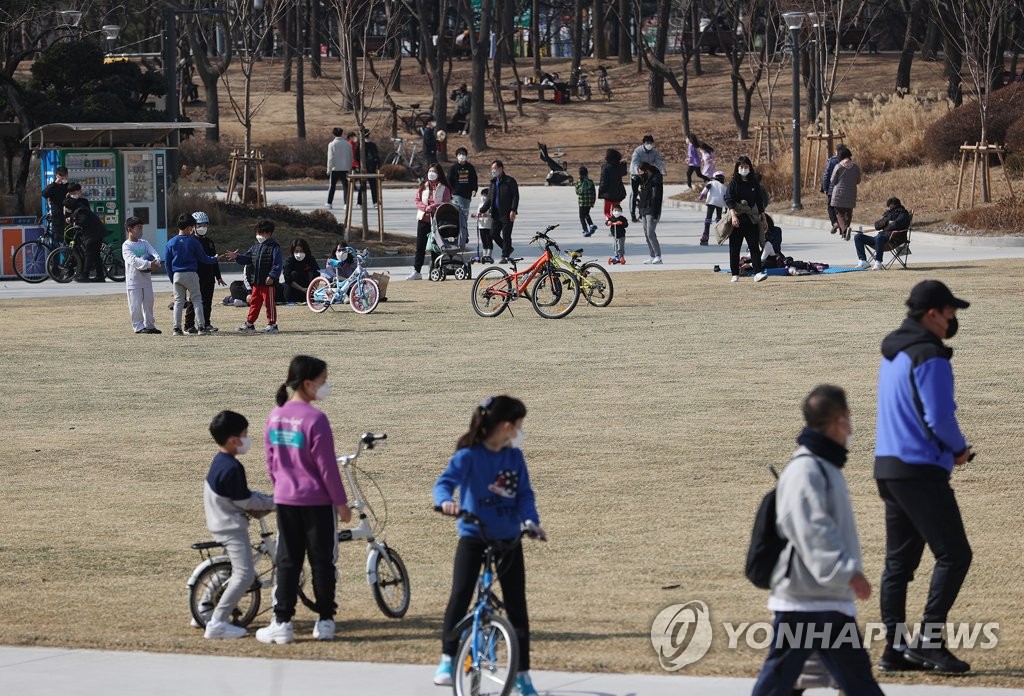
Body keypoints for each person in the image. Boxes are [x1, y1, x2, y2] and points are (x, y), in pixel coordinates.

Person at [751, 385, 884, 696]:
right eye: (848, 418)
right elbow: (813, 531)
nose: (851, 427)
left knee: (855, 680)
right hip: (806, 599)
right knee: (780, 681)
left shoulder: (823, 466)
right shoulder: (807, 469)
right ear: (838, 421)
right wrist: (847, 571)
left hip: (822, 597)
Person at [874, 280, 973, 674]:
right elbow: (938, 417)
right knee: (955, 555)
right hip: (919, 470)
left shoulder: (894, 351)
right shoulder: (930, 355)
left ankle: (894, 651)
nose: (953, 319)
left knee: (899, 565)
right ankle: (929, 643)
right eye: (950, 312)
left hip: (890, 466)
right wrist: (959, 450)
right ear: (932, 313)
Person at [432, 395, 547, 696]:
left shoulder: (514, 458)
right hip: (474, 535)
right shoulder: (469, 456)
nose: (521, 432)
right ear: (507, 426)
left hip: (508, 539)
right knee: (460, 593)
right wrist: (445, 501)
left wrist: (530, 522)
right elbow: (444, 483)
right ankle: (447, 659)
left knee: (517, 607)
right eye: (520, 426)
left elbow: (524, 495)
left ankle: (522, 676)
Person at [256, 356, 351, 645]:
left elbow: (271, 462)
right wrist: (341, 502)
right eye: (323, 382)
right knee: (322, 562)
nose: (325, 387)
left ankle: (282, 622)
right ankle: (325, 621)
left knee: (288, 561)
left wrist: (282, 487)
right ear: (308, 384)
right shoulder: (316, 419)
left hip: (287, 500)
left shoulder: (276, 416)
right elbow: (327, 467)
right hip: (318, 502)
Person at [202, 410, 275, 640]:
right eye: (245, 435)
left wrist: (265, 499)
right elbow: (246, 501)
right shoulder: (233, 467)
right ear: (234, 439)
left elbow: (241, 496)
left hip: (220, 522)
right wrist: (275, 502)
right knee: (244, 575)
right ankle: (217, 623)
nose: (247, 440)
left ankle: (202, 610)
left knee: (229, 571)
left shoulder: (220, 461)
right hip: (231, 527)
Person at [165, 213, 221, 335]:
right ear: (189, 227)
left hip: (177, 275)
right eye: (192, 227)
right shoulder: (193, 241)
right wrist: (214, 259)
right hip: (191, 273)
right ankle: (201, 327)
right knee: (197, 300)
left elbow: (168, 264)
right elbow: (204, 258)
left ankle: (176, 329)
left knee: (179, 302)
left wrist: (172, 278)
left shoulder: (171, 242)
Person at [227, 219, 284, 334]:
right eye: (257, 233)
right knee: (254, 304)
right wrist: (237, 256)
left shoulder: (275, 247)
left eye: (261, 233)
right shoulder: (255, 248)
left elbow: (277, 264)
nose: (258, 235)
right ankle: (249, 323)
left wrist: (272, 276)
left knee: (269, 304)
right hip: (256, 283)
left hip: (268, 283)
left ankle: (272, 324)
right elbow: (247, 259)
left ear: (268, 233)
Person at [724, 156, 768, 283]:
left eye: (746, 166)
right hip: (737, 220)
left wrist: (763, 218)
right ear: (737, 168)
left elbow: (759, 202)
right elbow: (729, 200)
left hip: (751, 219)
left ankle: (758, 273)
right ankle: (735, 274)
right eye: (741, 167)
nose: (744, 169)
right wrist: (733, 216)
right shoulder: (733, 183)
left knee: (754, 247)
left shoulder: (754, 183)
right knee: (734, 248)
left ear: (750, 168)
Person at [408, 162, 452, 280]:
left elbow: (446, 202)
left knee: (435, 246)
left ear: (439, 174)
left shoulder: (444, 188)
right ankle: (417, 271)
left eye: (434, 171)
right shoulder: (423, 186)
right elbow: (417, 200)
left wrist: (433, 207)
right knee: (420, 246)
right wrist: (425, 208)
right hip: (423, 218)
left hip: (437, 220)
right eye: (430, 171)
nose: (431, 173)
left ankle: (435, 269)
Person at [184, 211, 225, 333]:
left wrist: (218, 276)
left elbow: (214, 260)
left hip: (209, 276)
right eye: (199, 225)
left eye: (205, 225)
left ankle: (206, 323)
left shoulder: (210, 242)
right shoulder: (190, 241)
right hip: (195, 276)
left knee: (207, 301)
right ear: (194, 226)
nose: (203, 228)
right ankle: (189, 325)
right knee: (193, 301)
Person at [121, 216, 162, 334]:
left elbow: (155, 254)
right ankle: (138, 327)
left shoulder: (144, 243)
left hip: (146, 279)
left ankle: (150, 325)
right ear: (130, 229)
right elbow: (133, 261)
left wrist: (156, 262)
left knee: (149, 303)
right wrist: (149, 264)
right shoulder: (126, 246)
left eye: (141, 228)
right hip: (133, 280)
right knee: (135, 305)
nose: (140, 231)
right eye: (138, 228)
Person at [854, 197, 912, 270]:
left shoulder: (903, 214)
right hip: (881, 238)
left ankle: (878, 262)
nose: (889, 208)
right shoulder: (888, 214)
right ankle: (862, 261)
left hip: (893, 239)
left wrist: (885, 225)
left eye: (890, 206)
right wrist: (887, 222)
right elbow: (877, 225)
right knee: (858, 237)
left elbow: (896, 224)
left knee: (879, 237)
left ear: (894, 205)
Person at [478, 160, 519, 264]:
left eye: (495, 169)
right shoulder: (493, 182)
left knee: (506, 235)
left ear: (501, 169)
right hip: (496, 213)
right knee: (493, 233)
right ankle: (508, 248)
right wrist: (482, 210)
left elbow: (515, 196)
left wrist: (513, 210)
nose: (493, 171)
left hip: (507, 213)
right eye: (492, 169)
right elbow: (489, 199)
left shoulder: (510, 181)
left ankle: (505, 255)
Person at [64, 197, 106, 283]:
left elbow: (83, 221)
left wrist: (72, 220)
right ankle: (100, 276)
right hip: (95, 233)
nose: (66, 209)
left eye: (66, 207)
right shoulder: (79, 208)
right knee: (96, 256)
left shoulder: (80, 210)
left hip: (93, 233)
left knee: (89, 253)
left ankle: (85, 275)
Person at [628, 135, 666, 222]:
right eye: (647, 143)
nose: (649, 144)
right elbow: (634, 162)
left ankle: (645, 212)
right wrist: (638, 170)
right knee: (634, 193)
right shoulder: (637, 151)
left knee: (648, 192)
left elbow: (659, 161)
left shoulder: (654, 152)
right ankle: (633, 214)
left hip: (648, 175)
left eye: (651, 143)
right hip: (636, 174)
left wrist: (662, 170)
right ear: (643, 143)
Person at [447, 147, 478, 247]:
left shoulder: (470, 167)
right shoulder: (453, 168)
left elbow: (474, 180)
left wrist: (474, 189)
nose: (461, 156)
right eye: (459, 154)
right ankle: (462, 234)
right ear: (456, 156)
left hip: (467, 195)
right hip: (457, 194)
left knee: (464, 215)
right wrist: (450, 192)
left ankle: (463, 233)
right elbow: (449, 181)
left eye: (463, 154)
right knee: (460, 214)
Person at [830, 145, 861, 241]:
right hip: (851, 193)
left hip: (839, 194)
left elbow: (832, 180)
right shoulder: (855, 167)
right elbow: (858, 181)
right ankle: (845, 232)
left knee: (839, 213)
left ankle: (845, 230)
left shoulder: (838, 166)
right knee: (848, 213)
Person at [636, 162, 663, 264]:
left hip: (652, 209)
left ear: (647, 171)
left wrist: (656, 213)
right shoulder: (644, 180)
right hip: (644, 209)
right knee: (646, 234)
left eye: (641, 172)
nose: (639, 174)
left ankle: (658, 256)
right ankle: (652, 255)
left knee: (650, 233)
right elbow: (641, 196)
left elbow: (657, 197)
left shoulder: (655, 180)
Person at [281, 238, 320, 303]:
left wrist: (312, 289)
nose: (299, 254)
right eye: (296, 251)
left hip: (307, 290)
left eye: (301, 251)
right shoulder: (289, 261)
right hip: (292, 291)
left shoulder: (311, 260)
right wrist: (302, 289)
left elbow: (317, 274)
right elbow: (287, 278)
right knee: (294, 274)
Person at [326, 127, 353, 210]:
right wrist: (349, 167)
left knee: (332, 186)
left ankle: (329, 203)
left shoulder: (332, 144)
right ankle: (346, 203)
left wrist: (329, 169)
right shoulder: (347, 144)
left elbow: (330, 158)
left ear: (334, 134)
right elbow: (350, 157)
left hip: (335, 168)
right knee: (346, 187)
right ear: (342, 133)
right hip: (345, 168)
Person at [699, 170, 727, 246]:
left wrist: (701, 195)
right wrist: (726, 207)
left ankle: (705, 235)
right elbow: (726, 197)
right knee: (719, 219)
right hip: (720, 203)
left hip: (711, 201)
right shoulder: (724, 187)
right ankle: (720, 236)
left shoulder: (711, 183)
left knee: (708, 219)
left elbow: (706, 188)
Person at [598, 148, 627, 221]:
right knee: (616, 211)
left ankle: (611, 224)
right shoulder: (619, 166)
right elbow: (624, 173)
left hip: (608, 193)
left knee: (607, 212)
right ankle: (616, 225)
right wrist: (624, 165)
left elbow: (604, 180)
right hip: (619, 192)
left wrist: (601, 190)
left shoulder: (606, 167)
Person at [356, 130, 382, 207]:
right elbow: (377, 156)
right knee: (373, 186)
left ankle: (359, 202)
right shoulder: (373, 145)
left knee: (362, 185)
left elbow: (357, 157)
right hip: (372, 168)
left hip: (363, 168)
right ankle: (375, 202)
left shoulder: (360, 145)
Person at [41, 166, 69, 232]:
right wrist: (56, 182)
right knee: (57, 236)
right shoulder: (53, 186)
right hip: (57, 216)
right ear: (56, 175)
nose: (63, 177)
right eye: (60, 175)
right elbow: (44, 193)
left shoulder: (68, 186)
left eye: (64, 175)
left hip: (68, 216)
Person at [821, 150, 841, 235]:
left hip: (832, 189)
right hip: (844, 190)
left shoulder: (832, 161)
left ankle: (835, 223)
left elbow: (826, 176)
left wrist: (825, 188)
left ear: (836, 152)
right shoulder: (848, 162)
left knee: (830, 207)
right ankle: (843, 228)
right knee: (841, 209)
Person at [575, 166, 598, 237]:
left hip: (582, 202)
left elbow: (577, 192)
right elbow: (594, 192)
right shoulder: (590, 182)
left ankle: (585, 230)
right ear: (587, 173)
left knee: (581, 216)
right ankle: (591, 225)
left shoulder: (579, 182)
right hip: (589, 201)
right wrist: (593, 202)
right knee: (586, 214)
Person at [473, 187, 494, 263]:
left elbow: (492, 215)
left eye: (484, 195)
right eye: (482, 195)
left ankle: (489, 255)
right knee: (483, 241)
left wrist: (486, 215)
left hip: (488, 225)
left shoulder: (491, 204)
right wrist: (475, 216)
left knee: (489, 240)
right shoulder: (480, 205)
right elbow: (479, 214)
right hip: (481, 225)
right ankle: (484, 255)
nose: (483, 197)